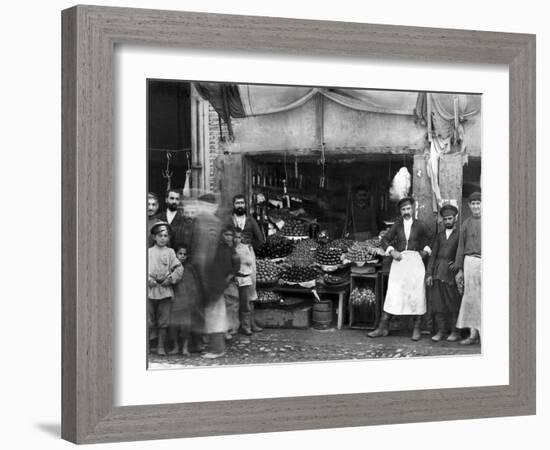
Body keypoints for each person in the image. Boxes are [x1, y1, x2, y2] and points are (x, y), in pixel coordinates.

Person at [368, 196, 432, 341]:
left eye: (408, 208)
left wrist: (425, 251)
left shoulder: (420, 224)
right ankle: (383, 327)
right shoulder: (397, 225)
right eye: (403, 209)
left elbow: (432, 238)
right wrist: (392, 251)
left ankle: (417, 329)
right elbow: (384, 239)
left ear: (413, 208)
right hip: (400, 261)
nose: (406, 211)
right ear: (400, 211)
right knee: (394, 292)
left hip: (415, 263)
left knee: (417, 294)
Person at [426, 203, 462, 342]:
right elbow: (433, 255)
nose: (447, 221)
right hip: (438, 272)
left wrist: (458, 263)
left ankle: (455, 332)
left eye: (450, 218)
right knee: (438, 303)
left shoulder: (459, 234)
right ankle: (441, 331)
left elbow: (462, 252)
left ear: (455, 219)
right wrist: (429, 274)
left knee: (452, 302)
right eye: (445, 219)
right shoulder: (439, 236)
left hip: (451, 274)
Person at [229, 194, 265, 333]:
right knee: (233, 289)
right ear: (234, 205)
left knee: (250, 288)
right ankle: (234, 324)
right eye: (237, 203)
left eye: (242, 203)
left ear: (245, 205)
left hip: (248, 256)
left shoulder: (250, 220)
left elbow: (260, 240)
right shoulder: (229, 220)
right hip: (232, 254)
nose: (240, 206)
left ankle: (251, 323)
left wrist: (248, 246)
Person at [148, 222, 183, 356]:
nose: (163, 238)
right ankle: (148, 345)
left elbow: (179, 268)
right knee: (149, 320)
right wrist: (148, 280)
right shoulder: (148, 252)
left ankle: (160, 346)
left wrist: (171, 279)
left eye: (165, 236)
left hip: (165, 291)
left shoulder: (170, 252)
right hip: (150, 291)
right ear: (154, 237)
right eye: (160, 235)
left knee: (163, 321)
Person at [454, 192, 482, 345]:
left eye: (479, 203)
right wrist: (459, 270)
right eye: (473, 203)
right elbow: (460, 247)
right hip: (469, 262)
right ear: (469, 206)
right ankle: (472, 334)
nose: (476, 206)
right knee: (471, 299)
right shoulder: (466, 223)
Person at [167, 244, 200, 356]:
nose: (182, 256)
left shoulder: (189, 268)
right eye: (180, 253)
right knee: (173, 326)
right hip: (174, 300)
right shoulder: (171, 267)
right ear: (175, 254)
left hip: (186, 301)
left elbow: (194, 284)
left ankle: (185, 348)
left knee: (186, 325)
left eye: (185, 254)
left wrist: (193, 298)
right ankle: (175, 347)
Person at [232, 229, 261, 335]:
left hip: (244, 278)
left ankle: (246, 326)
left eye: (239, 237)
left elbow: (249, 262)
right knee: (234, 304)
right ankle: (234, 326)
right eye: (235, 237)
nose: (237, 239)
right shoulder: (229, 249)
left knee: (245, 304)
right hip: (233, 279)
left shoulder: (245, 248)